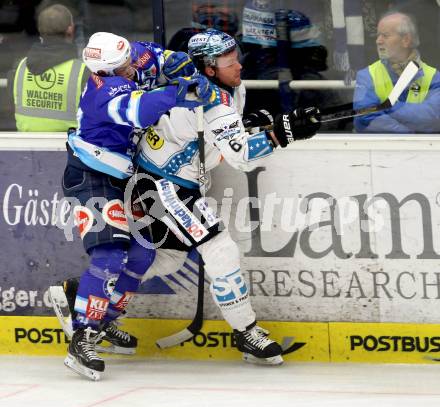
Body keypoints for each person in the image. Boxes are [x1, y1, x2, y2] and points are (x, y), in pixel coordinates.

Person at [132, 29, 321, 365]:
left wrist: (247, 124)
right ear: (207, 68)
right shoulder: (205, 99)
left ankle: (88, 292)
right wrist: (282, 133)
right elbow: (241, 156)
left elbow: (222, 134)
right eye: (227, 60)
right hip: (161, 185)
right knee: (220, 248)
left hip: (169, 183)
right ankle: (247, 332)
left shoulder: (230, 86)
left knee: (169, 259)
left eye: (236, 56)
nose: (237, 65)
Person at [62, 31, 213, 380]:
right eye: (121, 68)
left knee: (144, 253)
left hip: (128, 178)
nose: (130, 68)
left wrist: (181, 66)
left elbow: (164, 59)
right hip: (91, 176)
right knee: (112, 254)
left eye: (129, 59)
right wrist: (181, 90)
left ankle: (103, 323)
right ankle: (82, 335)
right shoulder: (103, 91)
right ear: (102, 71)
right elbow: (141, 109)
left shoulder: (131, 56)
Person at [353, 11, 440, 133]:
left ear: (406, 40)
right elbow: (364, 119)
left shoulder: (434, 77)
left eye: (385, 35)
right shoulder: (367, 75)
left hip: (424, 150)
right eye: (378, 35)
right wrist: (408, 134)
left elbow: (434, 119)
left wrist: (388, 107)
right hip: (381, 150)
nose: (378, 41)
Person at [12, 4, 88, 131]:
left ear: (40, 30)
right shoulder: (82, 72)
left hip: (24, 145)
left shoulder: (20, 66)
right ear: (70, 29)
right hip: (68, 147)